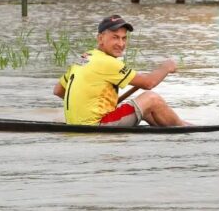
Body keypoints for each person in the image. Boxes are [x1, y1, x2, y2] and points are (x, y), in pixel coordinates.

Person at [53, 15, 191, 127]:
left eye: (124, 38)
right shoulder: (107, 62)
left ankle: (180, 126)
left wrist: (87, 104)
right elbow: (149, 83)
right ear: (100, 38)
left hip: (76, 124)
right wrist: (166, 67)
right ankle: (187, 131)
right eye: (115, 37)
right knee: (151, 98)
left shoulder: (84, 58)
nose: (121, 44)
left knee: (146, 110)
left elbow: (58, 90)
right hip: (99, 125)